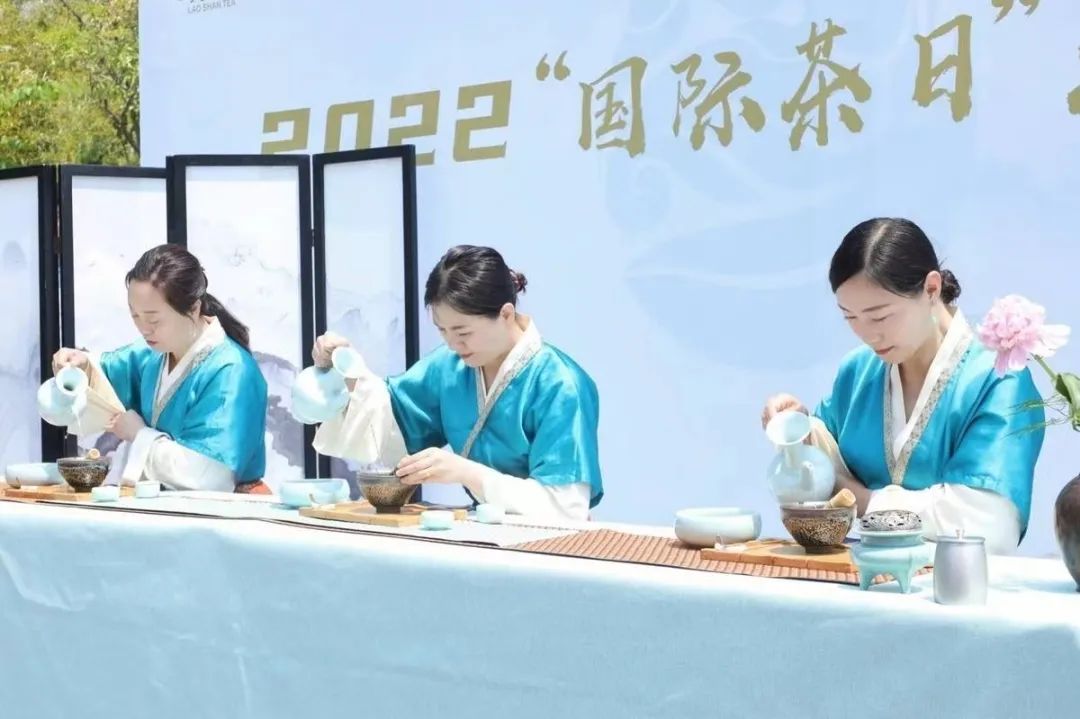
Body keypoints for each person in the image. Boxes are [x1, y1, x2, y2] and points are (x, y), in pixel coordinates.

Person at [761, 218, 1045, 553]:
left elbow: (987, 522)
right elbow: (815, 490)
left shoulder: (998, 378)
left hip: (952, 580)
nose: (868, 335)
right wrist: (799, 435)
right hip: (854, 577)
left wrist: (862, 500)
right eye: (850, 317)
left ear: (931, 289)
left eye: (880, 316)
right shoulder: (858, 371)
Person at [311, 245, 603, 520]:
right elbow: (388, 421)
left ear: (505, 314)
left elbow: (565, 506)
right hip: (482, 530)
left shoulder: (560, 384)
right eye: (443, 331)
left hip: (547, 539)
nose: (452, 344)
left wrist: (466, 472)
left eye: (463, 332)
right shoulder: (450, 366)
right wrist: (346, 371)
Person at [49, 244, 269, 492]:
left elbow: (210, 475)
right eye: (135, 316)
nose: (144, 329)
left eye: (153, 319)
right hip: (164, 503)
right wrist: (78, 366)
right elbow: (103, 376)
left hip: (225, 508)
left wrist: (139, 435)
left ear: (194, 308)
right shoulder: (153, 355)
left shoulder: (232, 371)